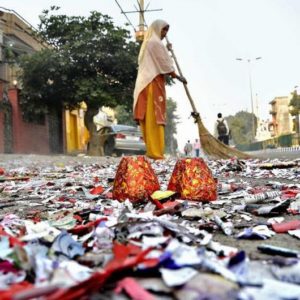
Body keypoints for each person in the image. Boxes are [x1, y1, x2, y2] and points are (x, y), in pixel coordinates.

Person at [133, 19, 187, 159]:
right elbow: (165, 64)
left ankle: (152, 151)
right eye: (163, 30)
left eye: (166, 31)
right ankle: (156, 153)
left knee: (149, 118)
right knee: (154, 118)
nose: (164, 33)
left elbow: (160, 60)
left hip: (146, 83)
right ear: (157, 29)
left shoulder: (150, 43)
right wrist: (177, 76)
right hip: (152, 83)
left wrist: (167, 49)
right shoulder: (155, 43)